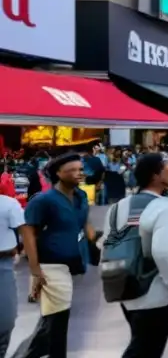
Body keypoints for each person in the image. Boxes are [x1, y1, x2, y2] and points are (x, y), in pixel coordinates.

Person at [14, 152, 94, 358]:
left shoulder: (81, 196)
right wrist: (35, 270)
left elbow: (85, 225)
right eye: (72, 170)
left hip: (72, 264)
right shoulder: (44, 200)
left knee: (53, 320)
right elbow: (29, 234)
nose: (78, 174)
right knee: (57, 320)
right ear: (58, 173)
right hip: (50, 266)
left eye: (80, 170)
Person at [114, 153, 168, 358]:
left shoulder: (123, 205)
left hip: (124, 285)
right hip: (154, 289)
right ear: (156, 176)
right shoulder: (164, 206)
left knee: (140, 342)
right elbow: (160, 251)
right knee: (147, 348)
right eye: (167, 168)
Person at [0, 174, 25, 356]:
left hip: (3, 265)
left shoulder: (8, 204)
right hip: (4, 262)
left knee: (5, 321)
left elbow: (24, 233)